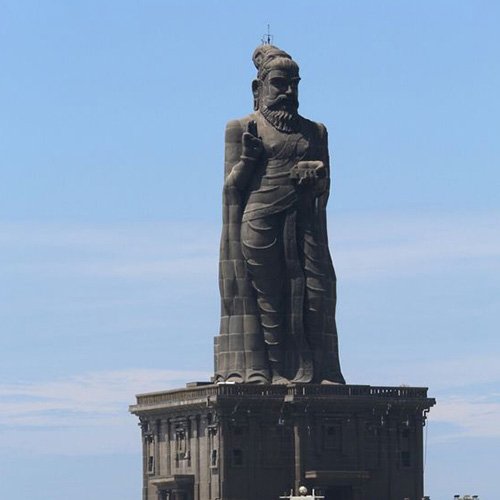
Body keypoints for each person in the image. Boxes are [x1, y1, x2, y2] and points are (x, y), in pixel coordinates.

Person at [214, 44, 344, 385]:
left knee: (318, 292)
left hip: (305, 222)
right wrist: (247, 161)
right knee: (268, 302)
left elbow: (326, 183)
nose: (288, 91)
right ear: (258, 88)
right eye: (279, 83)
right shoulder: (242, 127)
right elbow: (230, 188)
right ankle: (272, 373)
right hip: (260, 223)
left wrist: (315, 179)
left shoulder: (315, 131)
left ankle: (322, 371)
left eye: (294, 84)